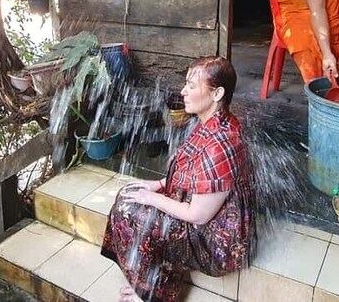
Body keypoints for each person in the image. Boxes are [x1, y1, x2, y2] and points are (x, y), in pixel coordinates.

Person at [100, 56, 253, 302]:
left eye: (192, 86)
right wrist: (160, 184)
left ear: (217, 94)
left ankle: (152, 295)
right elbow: (192, 173)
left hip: (216, 243)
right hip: (202, 215)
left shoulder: (221, 144)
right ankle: (149, 285)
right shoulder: (213, 122)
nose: (183, 91)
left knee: (129, 212)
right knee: (128, 195)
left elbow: (198, 215)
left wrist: (151, 199)